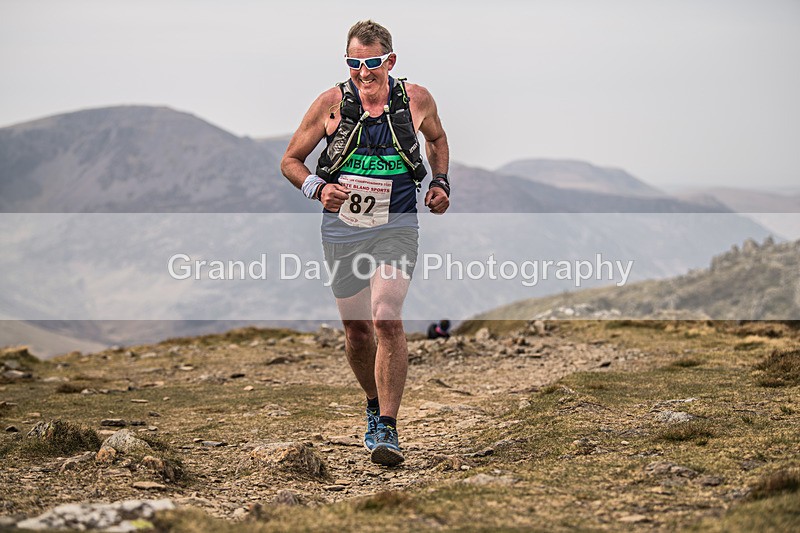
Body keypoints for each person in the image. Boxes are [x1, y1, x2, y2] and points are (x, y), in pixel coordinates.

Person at [281, 20, 450, 466]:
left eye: (371, 63)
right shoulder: (330, 104)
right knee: (357, 331)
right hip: (342, 228)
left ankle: (388, 429)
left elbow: (437, 139)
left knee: (386, 319)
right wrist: (317, 188)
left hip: (397, 223)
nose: (363, 72)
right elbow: (290, 161)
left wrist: (442, 182)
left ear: (389, 61)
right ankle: (374, 405)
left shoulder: (416, 100)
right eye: (354, 63)